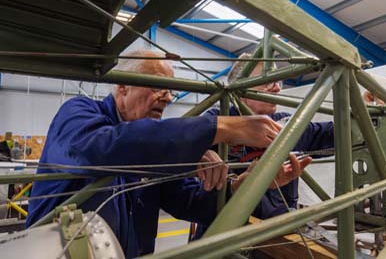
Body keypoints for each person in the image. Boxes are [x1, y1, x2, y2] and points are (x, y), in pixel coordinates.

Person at [26, 50, 310, 257]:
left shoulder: (154, 149)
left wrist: (244, 186)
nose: (169, 97)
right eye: (158, 86)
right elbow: (101, 148)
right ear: (122, 86)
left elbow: (189, 200)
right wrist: (218, 128)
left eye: (171, 89)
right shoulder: (78, 112)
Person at [193, 54, 334, 239]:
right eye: (267, 81)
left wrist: (363, 112)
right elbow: (184, 145)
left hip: (277, 235)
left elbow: (330, 134)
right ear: (241, 87)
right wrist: (203, 152)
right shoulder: (216, 121)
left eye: (278, 82)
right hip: (223, 233)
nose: (276, 88)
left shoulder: (285, 124)